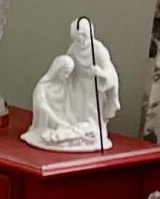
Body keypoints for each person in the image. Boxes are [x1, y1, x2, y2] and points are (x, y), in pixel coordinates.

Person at [23, 15, 119, 151]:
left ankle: (93, 133)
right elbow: (68, 64)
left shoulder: (98, 49)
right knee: (75, 112)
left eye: (82, 35)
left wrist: (100, 73)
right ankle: (73, 131)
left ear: (89, 34)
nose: (80, 39)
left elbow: (109, 70)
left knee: (91, 112)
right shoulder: (73, 48)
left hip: (93, 86)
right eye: (77, 36)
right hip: (76, 85)